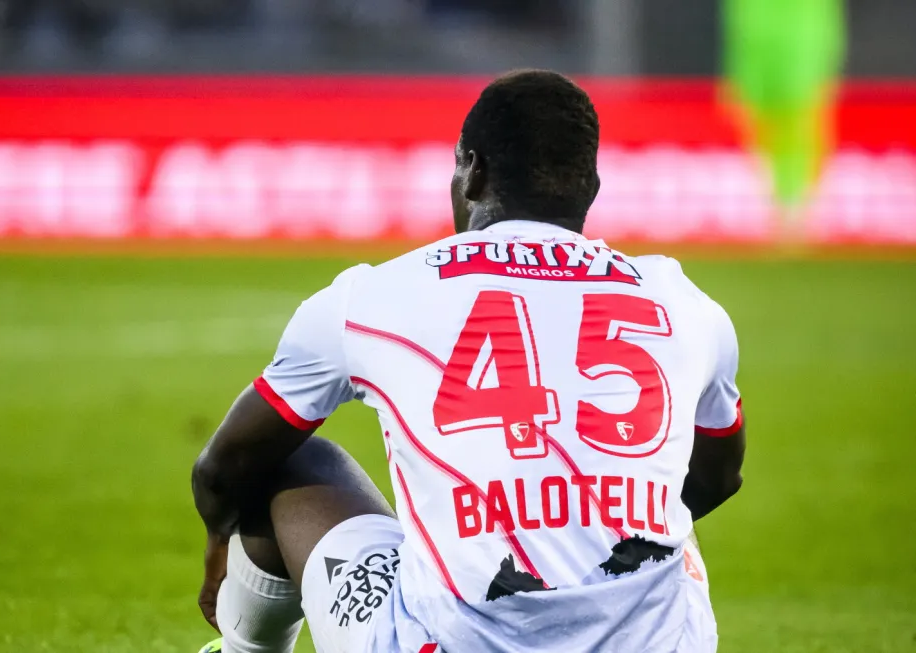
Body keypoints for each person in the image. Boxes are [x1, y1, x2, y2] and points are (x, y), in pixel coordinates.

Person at [191, 69, 745, 653]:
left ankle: (242, 649)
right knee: (665, 537)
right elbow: (718, 477)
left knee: (286, 457)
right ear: (592, 185)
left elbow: (224, 468)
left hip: (448, 643)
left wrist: (219, 541)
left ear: (472, 170)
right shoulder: (684, 302)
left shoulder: (374, 296)